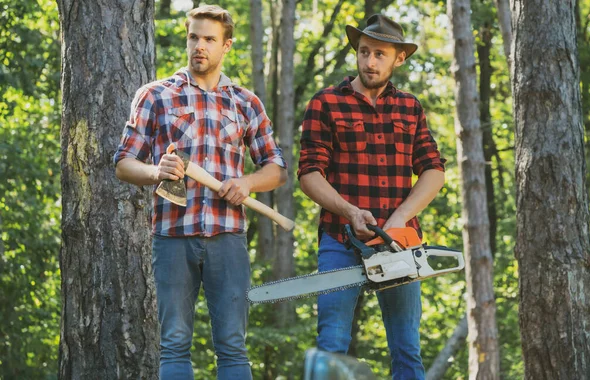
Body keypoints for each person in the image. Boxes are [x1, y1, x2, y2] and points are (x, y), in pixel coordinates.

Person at [114, 5, 287, 379]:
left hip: (228, 236)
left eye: (209, 39)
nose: (200, 46)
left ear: (226, 45)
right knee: (174, 344)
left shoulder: (246, 102)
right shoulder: (155, 96)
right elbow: (124, 163)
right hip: (173, 236)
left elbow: (276, 169)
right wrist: (155, 170)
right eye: (194, 37)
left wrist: (248, 183)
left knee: (233, 347)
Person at [297, 14, 446, 380]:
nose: (370, 61)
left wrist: (398, 220)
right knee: (331, 344)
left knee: (407, 348)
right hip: (340, 239)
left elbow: (434, 170)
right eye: (364, 52)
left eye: (380, 54)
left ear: (399, 58)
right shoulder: (327, 103)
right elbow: (309, 173)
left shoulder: (410, 108)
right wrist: (349, 211)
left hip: (399, 246)